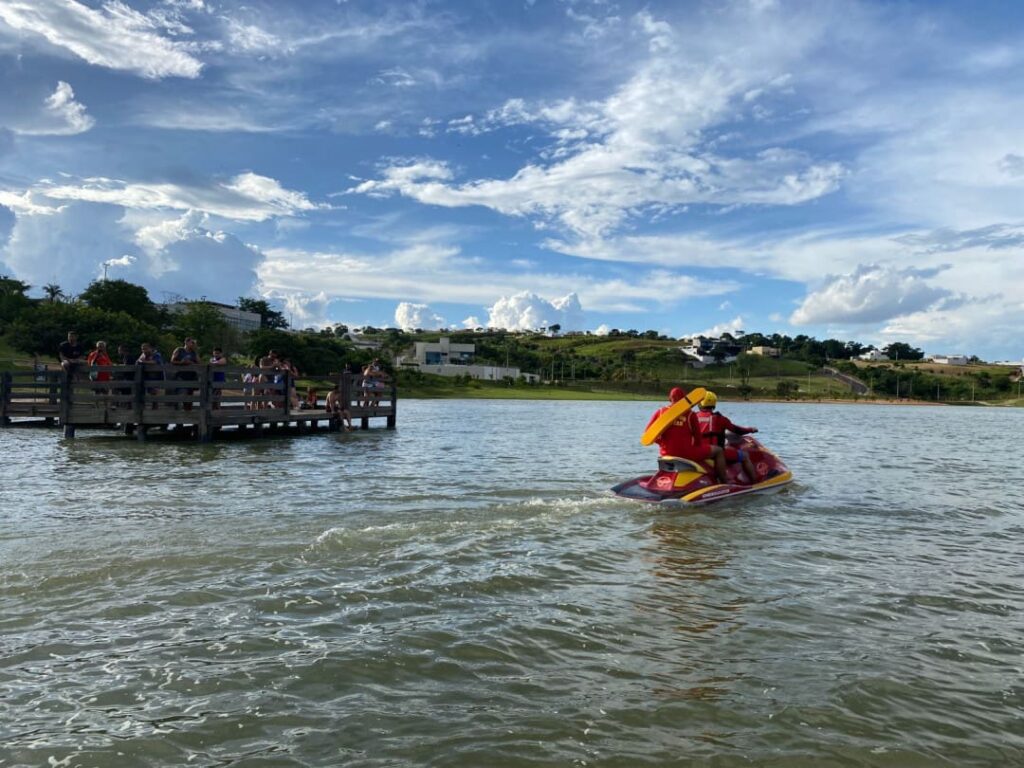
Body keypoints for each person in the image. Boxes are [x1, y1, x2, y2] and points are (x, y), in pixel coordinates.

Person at [645, 386, 730, 484]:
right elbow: (698, 439)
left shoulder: (660, 412)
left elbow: (648, 434)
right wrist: (699, 448)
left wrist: (661, 443)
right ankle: (724, 481)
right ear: (684, 400)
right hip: (686, 453)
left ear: (669, 399)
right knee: (718, 450)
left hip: (665, 453)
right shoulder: (690, 414)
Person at [693, 391, 759, 484]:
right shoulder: (720, 419)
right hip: (715, 453)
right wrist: (750, 429)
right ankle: (755, 483)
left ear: (700, 404)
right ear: (714, 404)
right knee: (745, 456)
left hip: (698, 451)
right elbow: (737, 430)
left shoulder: (694, 417)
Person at [171, 337, 200, 410]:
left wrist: (195, 351)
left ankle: (187, 415)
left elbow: (199, 363)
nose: (193, 344)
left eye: (194, 343)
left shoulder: (193, 352)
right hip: (181, 376)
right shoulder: (179, 350)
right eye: (192, 343)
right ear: (186, 342)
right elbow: (172, 361)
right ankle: (178, 414)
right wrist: (182, 362)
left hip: (191, 377)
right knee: (182, 395)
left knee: (189, 398)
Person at [137, 342, 164, 409]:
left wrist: (143, 362)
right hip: (146, 376)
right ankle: (142, 408)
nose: (144, 350)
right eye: (142, 349)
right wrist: (141, 361)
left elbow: (155, 362)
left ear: (150, 348)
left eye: (146, 349)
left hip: (156, 376)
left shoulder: (156, 354)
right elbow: (138, 361)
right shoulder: (143, 355)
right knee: (142, 391)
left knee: (154, 392)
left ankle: (155, 408)